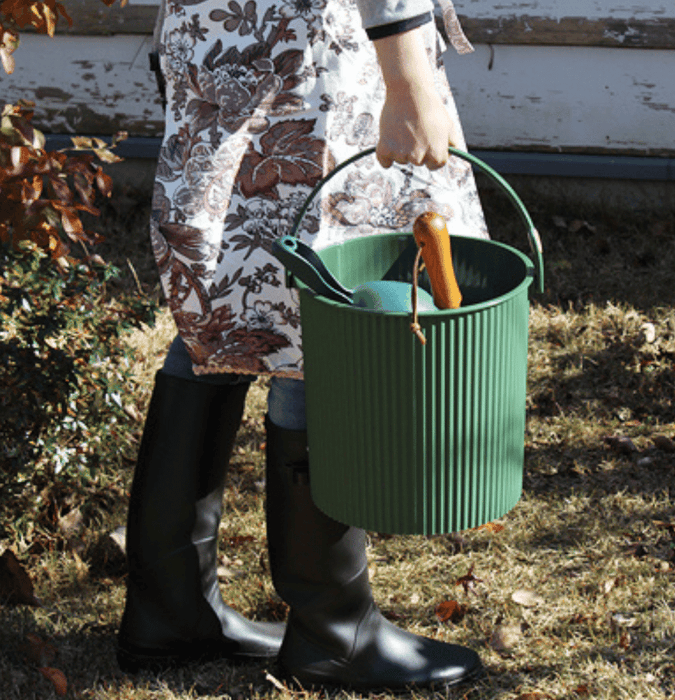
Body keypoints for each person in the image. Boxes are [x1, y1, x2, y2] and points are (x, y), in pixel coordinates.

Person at [117, 0, 489, 691]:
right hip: (306, 55)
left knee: (225, 307)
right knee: (319, 307)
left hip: (217, 44)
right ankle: (333, 629)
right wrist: (409, 78)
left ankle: (169, 609)